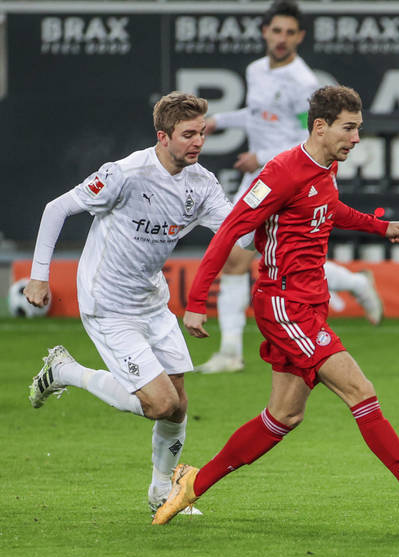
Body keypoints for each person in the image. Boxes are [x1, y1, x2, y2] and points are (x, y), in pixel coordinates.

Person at [152, 85, 399, 531]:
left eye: (358, 129)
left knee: (284, 416)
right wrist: (197, 302)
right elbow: (229, 233)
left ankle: (194, 481)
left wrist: (379, 226)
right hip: (284, 306)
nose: (356, 139)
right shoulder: (280, 172)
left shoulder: (325, 168)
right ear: (320, 126)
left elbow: (329, 209)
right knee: (362, 391)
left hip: (310, 304)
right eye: (349, 128)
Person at [23, 92, 252, 518]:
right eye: (188, 134)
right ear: (163, 137)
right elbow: (56, 209)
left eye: (202, 132)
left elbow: (240, 231)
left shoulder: (202, 184)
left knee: (179, 402)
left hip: (151, 301)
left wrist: (285, 224)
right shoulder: (124, 174)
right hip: (108, 304)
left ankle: (161, 491)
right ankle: (66, 371)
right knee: (160, 404)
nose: (197, 142)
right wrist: (39, 276)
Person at [196, 0, 382, 375]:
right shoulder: (255, 70)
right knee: (245, 255)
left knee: (284, 254)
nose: (281, 39)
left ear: (300, 37)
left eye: (289, 32)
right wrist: (219, 121)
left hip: (298, 174)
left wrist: (262, 154)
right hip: (265, 173)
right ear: (265, 32)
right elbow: (258, 113)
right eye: (276, 30)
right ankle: (231, 349)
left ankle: (353, 282)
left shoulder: (304, 83)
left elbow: (310, 134)